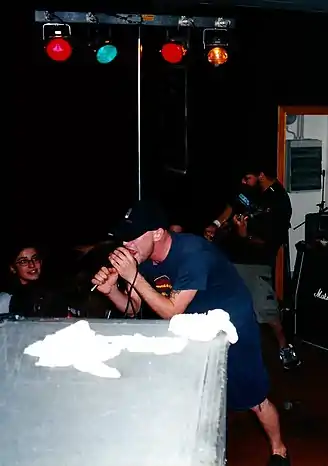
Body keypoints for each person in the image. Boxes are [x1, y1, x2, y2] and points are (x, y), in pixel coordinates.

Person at [92, 200, 291, 466]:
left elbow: (171, 310)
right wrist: (111, 291)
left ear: (157, 233)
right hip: (193, 324)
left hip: (232, 323)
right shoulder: (142, 257)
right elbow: (134, 307)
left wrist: (133, 277)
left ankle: (279, 450)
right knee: (196, 395)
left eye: (132, 238)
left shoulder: (193, 253)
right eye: (123, 239)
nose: (126, 246)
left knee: (254, 398)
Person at [205, 162, 300, 370]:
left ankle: (284, 347)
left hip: (256, 262)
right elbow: (232, 206)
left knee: (265, 309)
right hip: (229, 256)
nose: (243, 182)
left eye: (247, 178)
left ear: (262, 176)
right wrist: (216, 224)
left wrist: (245, 235)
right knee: (222, 302)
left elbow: (270, 242)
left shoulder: (279, 203)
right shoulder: (248, 189)